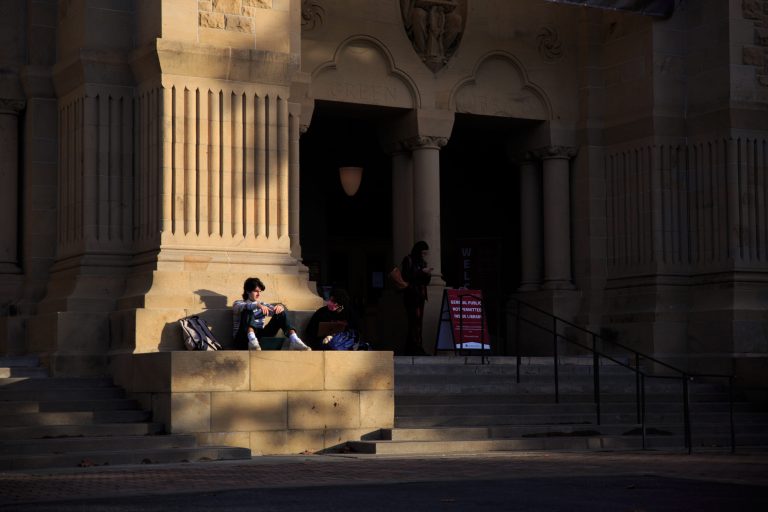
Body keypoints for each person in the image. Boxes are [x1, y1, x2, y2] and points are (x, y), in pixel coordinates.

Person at [232, 277, 311, 351]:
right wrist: (257, 305)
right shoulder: (238, 303)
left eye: (259, 292)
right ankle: (252, 340)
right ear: (247, 291)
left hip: (259, 338)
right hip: (243, 339)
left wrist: (280, 307)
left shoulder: (262, 304)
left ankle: (294, 340)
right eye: (256, 291)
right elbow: (243, 307)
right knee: (247, 310)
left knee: (280, 312)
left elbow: (274, 310)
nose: (258, 294)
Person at [400, 240, 433, 356]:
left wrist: (427, 274)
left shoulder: (422, 262)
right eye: (422, 253)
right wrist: (420, 272)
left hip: (420, 295)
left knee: (418, 322)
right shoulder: (408, 260)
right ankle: (415, 348)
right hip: (411, 295)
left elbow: (425, 282)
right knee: (413, 321)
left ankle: (414, 348)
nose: (424, 256)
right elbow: (406, 276)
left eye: (425, 253)